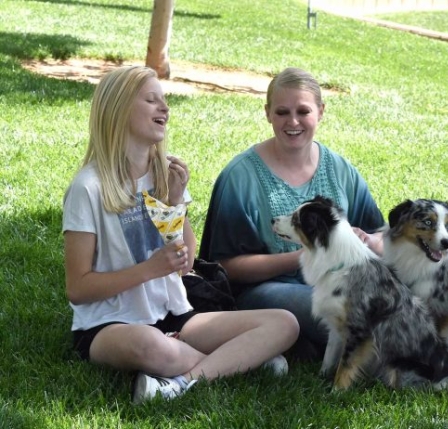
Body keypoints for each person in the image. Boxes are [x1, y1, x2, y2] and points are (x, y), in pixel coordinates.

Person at [62, 65, 299, 404]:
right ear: (118, 108)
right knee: (149, 345)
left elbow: (185, 258)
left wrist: (175, 202)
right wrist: (148, 269)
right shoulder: (88, 188)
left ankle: (181, 381)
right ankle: (242, 363)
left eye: (165, 100)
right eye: (151, 100)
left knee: (284, 323)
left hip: (176, 316)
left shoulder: (165, 175)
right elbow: (78, 288)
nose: (165, 108)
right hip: (109, 325)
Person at [199, 67, 385, 359]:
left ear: (321, 112)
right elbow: (225, 268)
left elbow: (382, 236)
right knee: (349, 314)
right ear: (267, 113)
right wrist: (301, 257)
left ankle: (304, 347)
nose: (293, 121)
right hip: (266, 292)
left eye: (303, 111)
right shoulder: (240, 178)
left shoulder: (340, 170)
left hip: (339, 285)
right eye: (282, 112)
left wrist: (371, 241)